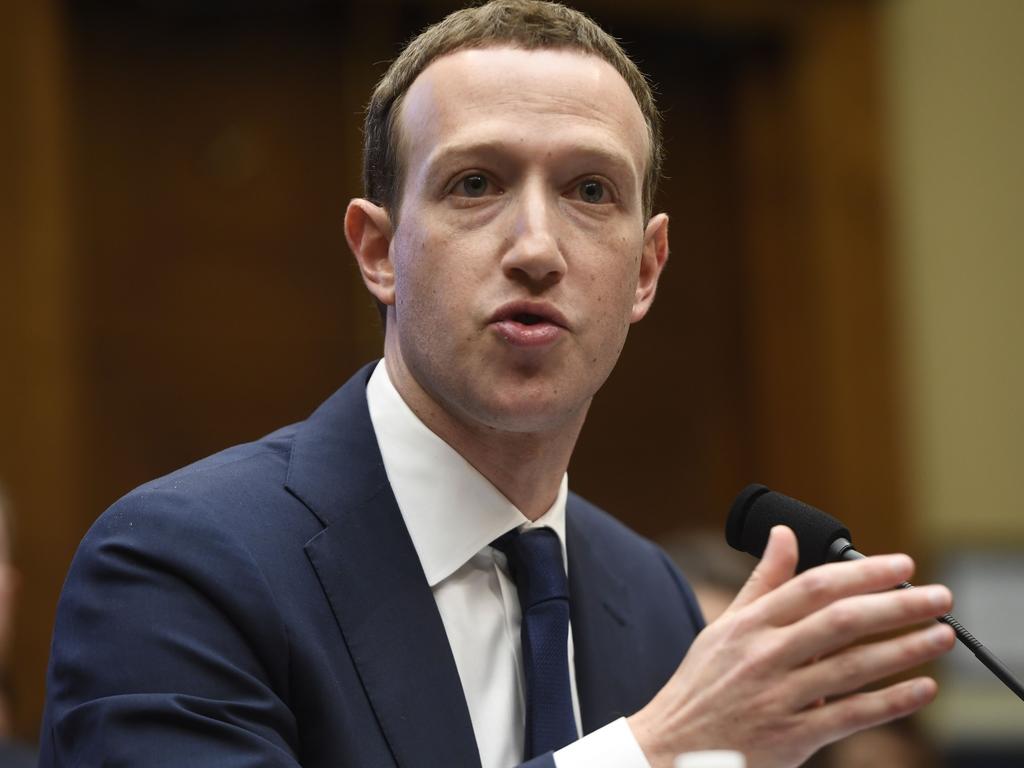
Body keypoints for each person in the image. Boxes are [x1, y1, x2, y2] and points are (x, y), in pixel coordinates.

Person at [39, 2, 956, 766]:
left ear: (646, 269)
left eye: (590, 191)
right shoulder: (182, 566)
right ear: (376, 251)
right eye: (475, 183)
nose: (536, 249)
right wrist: (653, 753)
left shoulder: (650, 598)